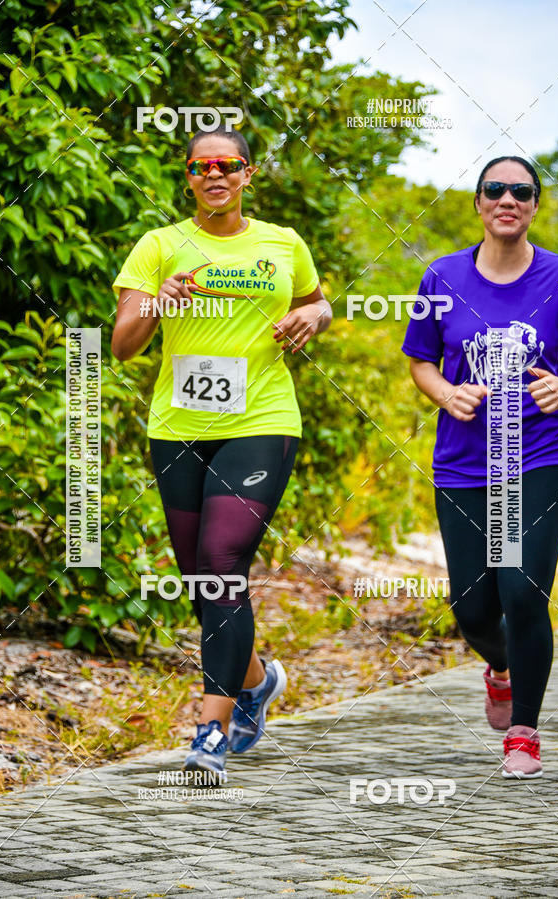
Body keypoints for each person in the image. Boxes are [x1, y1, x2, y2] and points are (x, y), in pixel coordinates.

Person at [111, 125, 331, 781]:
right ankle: (257, 680)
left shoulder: (282, 244)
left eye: (228, 164)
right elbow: (122, 344)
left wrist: (310, 319)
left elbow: (318, 306)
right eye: (202, 166)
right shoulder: (158, 246)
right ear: (188, 176)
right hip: (178, 426)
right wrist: (157, 301)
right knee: (201, 582)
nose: (215, 174)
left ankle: (211, 729)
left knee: (222, 561)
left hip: (261, 418)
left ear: (247, 174)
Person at [402, 156, 558, 778]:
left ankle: (524, 733)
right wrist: (443, 394)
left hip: (536, 457)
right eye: (495, 189)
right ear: (478, 203)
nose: (507, 198)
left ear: (536, 205)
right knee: (474, 607)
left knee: (521, 589)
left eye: (521, 191)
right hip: (463, 462)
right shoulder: (442, 275)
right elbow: (422, 361)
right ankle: (501, 669)